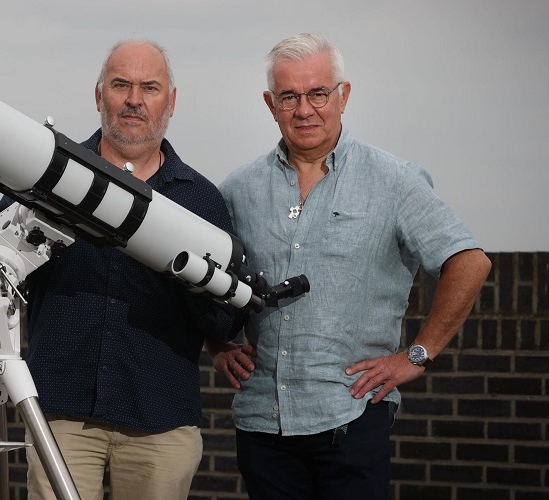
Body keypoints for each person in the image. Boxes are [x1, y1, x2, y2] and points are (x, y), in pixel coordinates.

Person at [206, 33, 491, 499]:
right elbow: (193, 269)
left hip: (353, 414)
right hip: (263, 424)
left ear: (344, 96)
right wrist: (216, 344)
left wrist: (418, 354)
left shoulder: (394, 180)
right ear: (269, 103)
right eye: (289, 96)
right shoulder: (239, 189)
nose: (304, 109)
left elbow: (469, 260)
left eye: (318, 93)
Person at [0, 40, 238, 500]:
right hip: (62, 413)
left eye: (150, 87)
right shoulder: (50, 174)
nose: (134, 99)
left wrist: (186, 275)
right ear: (99, 94)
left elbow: (224, 320)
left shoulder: (200, 201)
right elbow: (2, 261)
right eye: (121, 85)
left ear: (171, 100)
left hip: (160, 420)